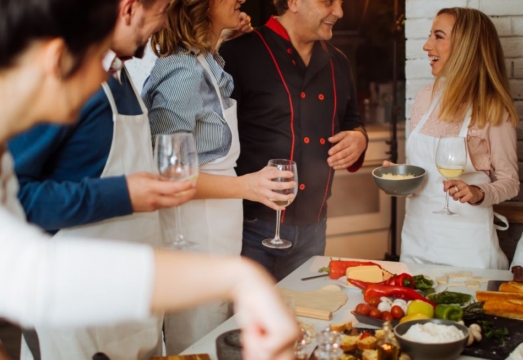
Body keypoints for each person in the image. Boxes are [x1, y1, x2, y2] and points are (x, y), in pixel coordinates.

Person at [0, 0, 300, 359]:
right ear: (56, 60)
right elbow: (34, 278)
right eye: (100, 62)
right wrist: (238, 278)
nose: (111, 75)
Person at [7, 0, 188, 358]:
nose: (165, 22)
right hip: (74, 312)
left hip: (128, 304)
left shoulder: (121, 75)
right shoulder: (64, 78)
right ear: (129, 9)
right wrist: (122, 194)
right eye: (163, 9)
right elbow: (14, 197)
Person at [141, 0, 296, 353]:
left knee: (213, 325)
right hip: (193, 228)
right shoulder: (182, 71)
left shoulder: (204, 63)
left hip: (217, 222)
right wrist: (246, 186)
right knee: (197, 337)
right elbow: (166, 174)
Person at [219, 0, 368, 281]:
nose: (339, 12)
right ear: (294, 2)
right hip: (251, 230)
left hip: (315, 231)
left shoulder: (339, 62)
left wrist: (359, 138)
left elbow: (352, 120)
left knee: (304, 322)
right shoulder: (239, 52)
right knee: (248, 323)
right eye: (328, 2)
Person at [396, 7, 519, 269]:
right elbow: (422, 173)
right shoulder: (423, 98)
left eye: (438, 36)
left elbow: (510, 182)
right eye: (430, 36)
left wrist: (477, 192)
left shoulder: (493, 108)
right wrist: (401, 178)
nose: (427, 45)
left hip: (467, 248)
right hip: (417, 240)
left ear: (466, 46)